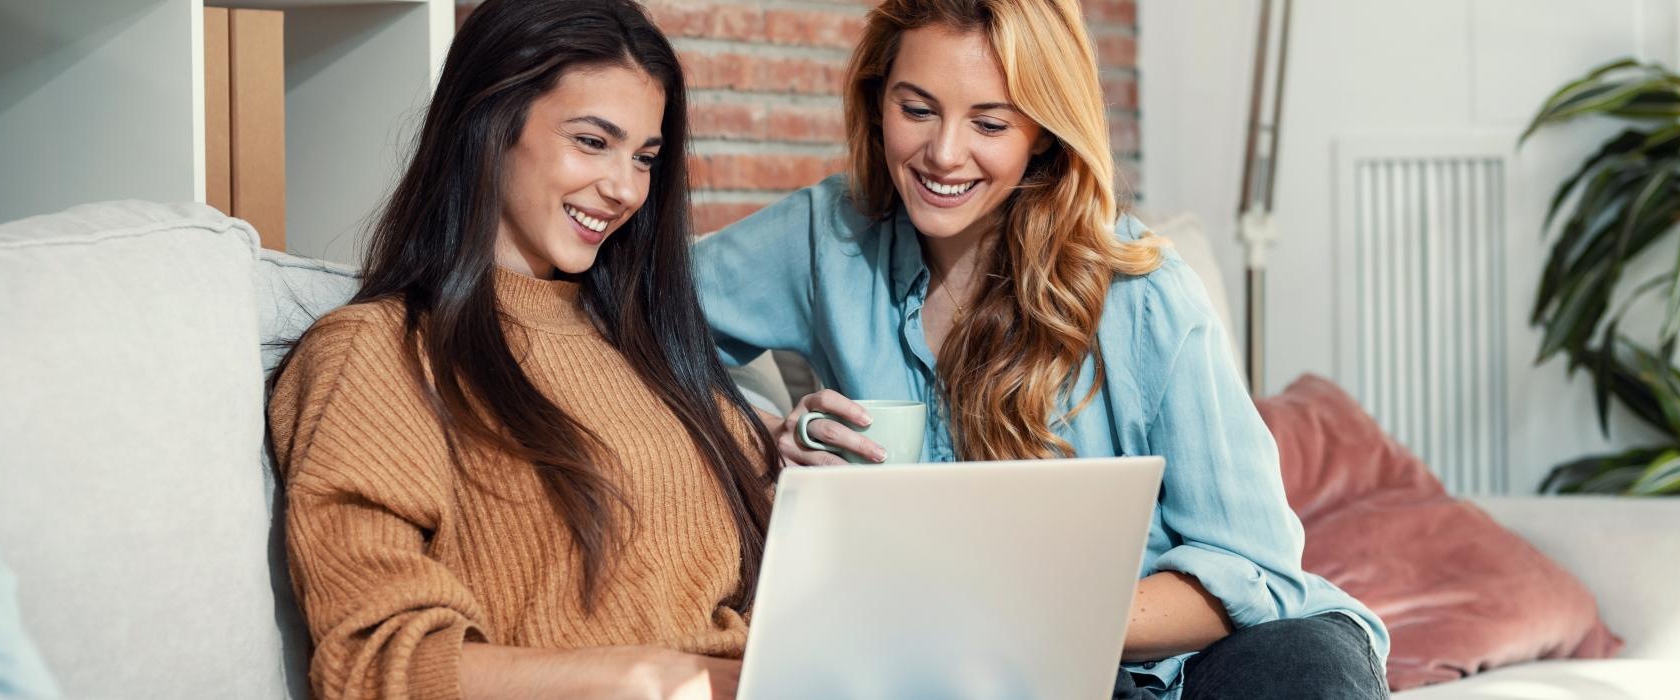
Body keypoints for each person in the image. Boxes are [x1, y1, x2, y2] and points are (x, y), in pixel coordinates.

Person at [691, 0, 1389, 697]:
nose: (943, 153)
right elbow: (650, 315)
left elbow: (1256, 568)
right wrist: (761, 437)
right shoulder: (830, 238)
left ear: (1043, 135)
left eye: (990, 123)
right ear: (878, 103)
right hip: (989, 674)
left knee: (1305, 673)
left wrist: (1031, 615)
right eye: (917, 109)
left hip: (1190, 660)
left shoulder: (1144, 293)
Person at [266, 1, 778, 698]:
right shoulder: (377, 354)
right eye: (593, 142)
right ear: (492, 123)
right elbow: (370, 663)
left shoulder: (652, 349)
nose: (625, 188)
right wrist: (638, 678)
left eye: (644, 157)